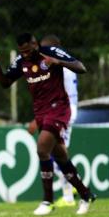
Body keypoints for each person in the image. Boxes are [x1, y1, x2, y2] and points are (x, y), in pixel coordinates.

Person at [0, 33, 96, 216]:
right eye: (22, 52)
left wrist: (57, 62)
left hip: (59, 108)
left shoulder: (50, 52)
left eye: (28, 50)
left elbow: (81, 67)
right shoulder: (21, 61)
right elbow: (6, 82)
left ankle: (48, 200)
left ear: (35, 44)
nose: (26, 55)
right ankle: (86, 194)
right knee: (61, 157)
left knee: (42, 149)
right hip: (41, 112)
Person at [27, 34, 78, 208]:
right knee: (59, 153)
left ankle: (70, 194)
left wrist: (37, 118)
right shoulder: (65, 63)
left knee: (56, 155)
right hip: (64, 109)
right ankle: (71, 191)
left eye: (44, 48)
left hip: (62, 110)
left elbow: (53, 93)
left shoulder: (57, 66)